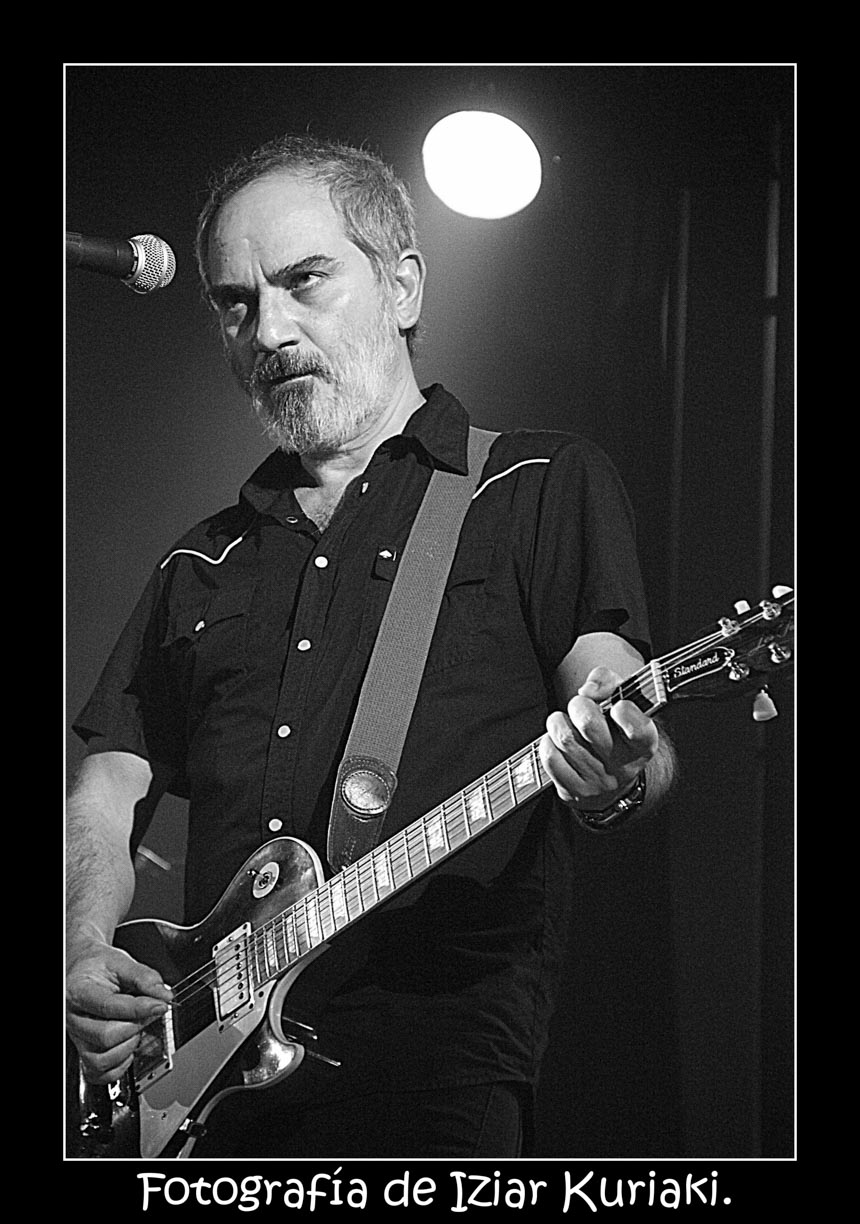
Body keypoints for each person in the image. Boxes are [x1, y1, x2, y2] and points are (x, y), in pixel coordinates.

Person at [66, 135, 677, 1159]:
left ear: (401, 286)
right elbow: (107, 787)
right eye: (235, 303)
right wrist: (81, 948)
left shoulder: (534, 486)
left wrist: (616, 765)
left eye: (305, 281)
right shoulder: (199, 562)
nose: (270, 329)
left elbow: (616, 706)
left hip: (428, 1072)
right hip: (198, 1091)